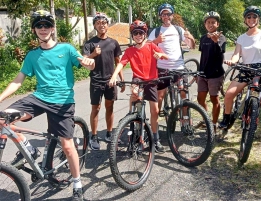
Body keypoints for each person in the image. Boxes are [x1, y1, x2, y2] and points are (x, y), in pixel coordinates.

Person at [0, 10, 95, 200]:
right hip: (39, 98)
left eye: (46, 25)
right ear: (34, 30)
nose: (43, 29)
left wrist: (89, 62)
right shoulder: (33, 55)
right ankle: (30, 148)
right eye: (39, 26)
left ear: (52, 28)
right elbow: (18, 81)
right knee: (3, 118)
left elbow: (86, 64)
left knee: (67, 146)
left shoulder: (66, 49)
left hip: (62, 102)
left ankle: (77, 185)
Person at [218, 6, 261, 143]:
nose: (251, 19)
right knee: (229, 94)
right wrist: (232, 61)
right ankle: (227, 118)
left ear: (258, 19)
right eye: (249, 17)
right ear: (245, 20)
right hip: (246, 69)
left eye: (254, 17)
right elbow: (236, 54)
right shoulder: (242, 38)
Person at [109, 20, 168, 153]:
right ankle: (132, 113)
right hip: (138, 79)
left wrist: (160, 55)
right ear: (132, 35)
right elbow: (121, 64)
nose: (138, 35)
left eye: (141, 33)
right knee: (135, 91)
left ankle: (155, 138)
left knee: (155, 111)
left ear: (145, 34)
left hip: (152, 80)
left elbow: (165, 56)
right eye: (135, 33)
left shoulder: (151, 46)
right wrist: (114, 76)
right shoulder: (130, 51)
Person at [83, 12, 125, 150]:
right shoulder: (90, 43)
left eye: (104, 23)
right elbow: (85, 61)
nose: (101, 25)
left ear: (107, 25)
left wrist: (122, 79)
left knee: (110, 107)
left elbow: (118, 62)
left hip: (110, 81)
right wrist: (94, 54)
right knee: (96, 108)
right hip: (96, 80)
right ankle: (94, 136)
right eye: (98, 23)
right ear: (94, 25)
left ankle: (109, 132)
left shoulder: (113, 43)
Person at [147, 3, 196, 116]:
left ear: (172, 16)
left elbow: (192, 46)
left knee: (183, 94)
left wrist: (190, 37)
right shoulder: (156, 31)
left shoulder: (178, 30)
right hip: (162, 68)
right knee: (160, 96)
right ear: (160, 16)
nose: (166, 16)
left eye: (168, 14)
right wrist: (156, 40)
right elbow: (146, 47)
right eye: (163, 14)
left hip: (179, 67)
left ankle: (185, 120)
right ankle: (155, 123)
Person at [197, 11, 226, 133]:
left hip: (215, 74)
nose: (210, 24)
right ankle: (207, 120)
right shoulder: (203, 38)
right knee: (200, 99)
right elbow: (203, 56)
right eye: (208, 22)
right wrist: (198, 72)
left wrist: (216, 41)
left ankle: (214, 124)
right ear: (205, 25)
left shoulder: (221, 37)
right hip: (203, 74)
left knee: (215, 99)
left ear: (217, 24)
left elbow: (220, 54)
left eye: (213, 22)